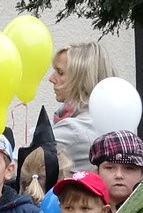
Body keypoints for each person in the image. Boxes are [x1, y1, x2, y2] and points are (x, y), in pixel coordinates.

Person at [48, 43, 117, 173]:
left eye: (60, 72)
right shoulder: (110, 119)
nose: (51, 78)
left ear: (82, 80)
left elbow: (23, 165)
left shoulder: (74, 129)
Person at [88, 130, 143, 213]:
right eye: (110, 168)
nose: (119, 175)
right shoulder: (81, 212)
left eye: (129, 168)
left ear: (142, 173)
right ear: (96, 172)